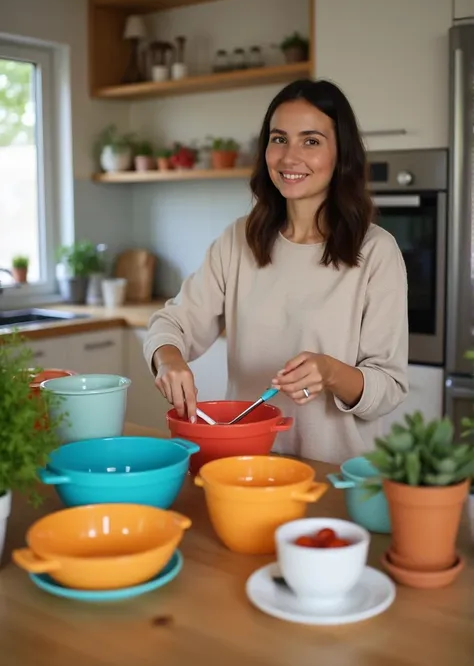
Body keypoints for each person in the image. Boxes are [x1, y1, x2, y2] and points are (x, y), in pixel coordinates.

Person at [143, 79, 409, 464]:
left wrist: (330, 372)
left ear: (341, 154)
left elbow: (388, 387)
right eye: (279, 138)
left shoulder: (375, 251)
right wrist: (169, 360)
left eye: (311, 141)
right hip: (246, 468)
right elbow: (172, 323)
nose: (289, 157)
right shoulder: (239, 240)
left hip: (334, 477)